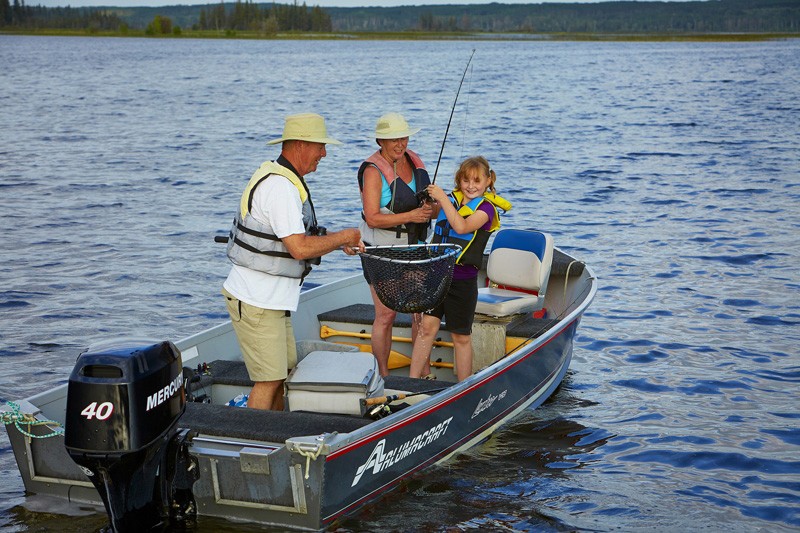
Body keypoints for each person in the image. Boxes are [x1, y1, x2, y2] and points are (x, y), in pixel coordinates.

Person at [222, 113, 365, 411]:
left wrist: (339, 244)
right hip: (257, 299)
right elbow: (299, 248)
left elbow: (295, 238)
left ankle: (271, 438)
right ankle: (253, 445)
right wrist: (343, 237)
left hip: (271, 300)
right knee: (268, 381)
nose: (324, 154)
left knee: (280, 376)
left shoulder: (282, 178)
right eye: (320, 146)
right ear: (300, 145)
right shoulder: (281, 187)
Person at [409, 156, 511, 381]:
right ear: (459, 181)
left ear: (487, 182)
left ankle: (464, 386)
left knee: (461, 336)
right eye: (466, 181)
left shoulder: (487, 210)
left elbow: (461, 226)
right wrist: (428, 202)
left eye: (477, 181)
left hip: (462, 280)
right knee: (427, 328)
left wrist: (443, 199)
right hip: (436, 273)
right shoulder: (452, 201)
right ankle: (413, 381)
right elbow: (435, 214)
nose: (471, 186)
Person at [357, 112, 436, 377]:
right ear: (380, 140)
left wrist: (435, 209)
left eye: (403, 137)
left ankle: (421, 373)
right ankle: (383, 374)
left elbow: (430, 207)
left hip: (415, 247)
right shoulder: (373, 170)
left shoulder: (415, 161)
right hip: (383, 251)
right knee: (386, 315)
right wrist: (413, 216)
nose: (400, 144)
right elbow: (373, 217)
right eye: (393, 139)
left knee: (419, 313)